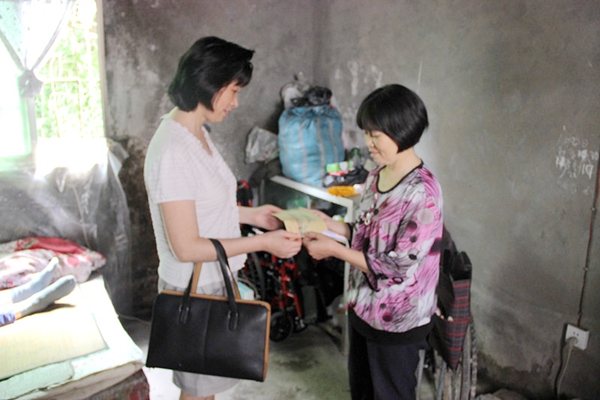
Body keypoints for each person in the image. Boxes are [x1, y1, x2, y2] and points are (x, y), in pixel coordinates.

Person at [143, 36, 302, 400]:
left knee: (206, 388)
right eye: (233, 91)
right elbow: (187, 247)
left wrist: (254, 215)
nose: (236, 102)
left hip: (211, 280)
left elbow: (203, 207)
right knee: (198, 392)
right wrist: (262, 243)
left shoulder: (195, 133)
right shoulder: (174, 150)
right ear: (208, 83)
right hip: (194, 286)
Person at [302, 84, 443, 400]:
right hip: (363, 308)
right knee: (363, 392)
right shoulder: (376, 175)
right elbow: (368, 233)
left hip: (398, 320)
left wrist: (334, 250)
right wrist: (332, 226)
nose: (368, 143)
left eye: (375, 135)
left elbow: (398, 266)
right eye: (367, 133)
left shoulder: (422, 194)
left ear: (401, 132)